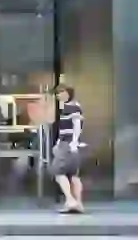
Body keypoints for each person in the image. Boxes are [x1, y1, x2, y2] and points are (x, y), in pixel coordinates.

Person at [51, 85, 85, 213]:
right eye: (57, 93)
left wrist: (73, 142)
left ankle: (70, 200)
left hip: (68, 144)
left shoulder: (70, 107)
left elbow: (77, 124)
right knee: (73, 175)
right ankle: (79, 203)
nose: (58, 95)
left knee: (58, 172)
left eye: (60, 92)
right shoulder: (74, 106)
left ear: (67, 93)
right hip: (71, 143)